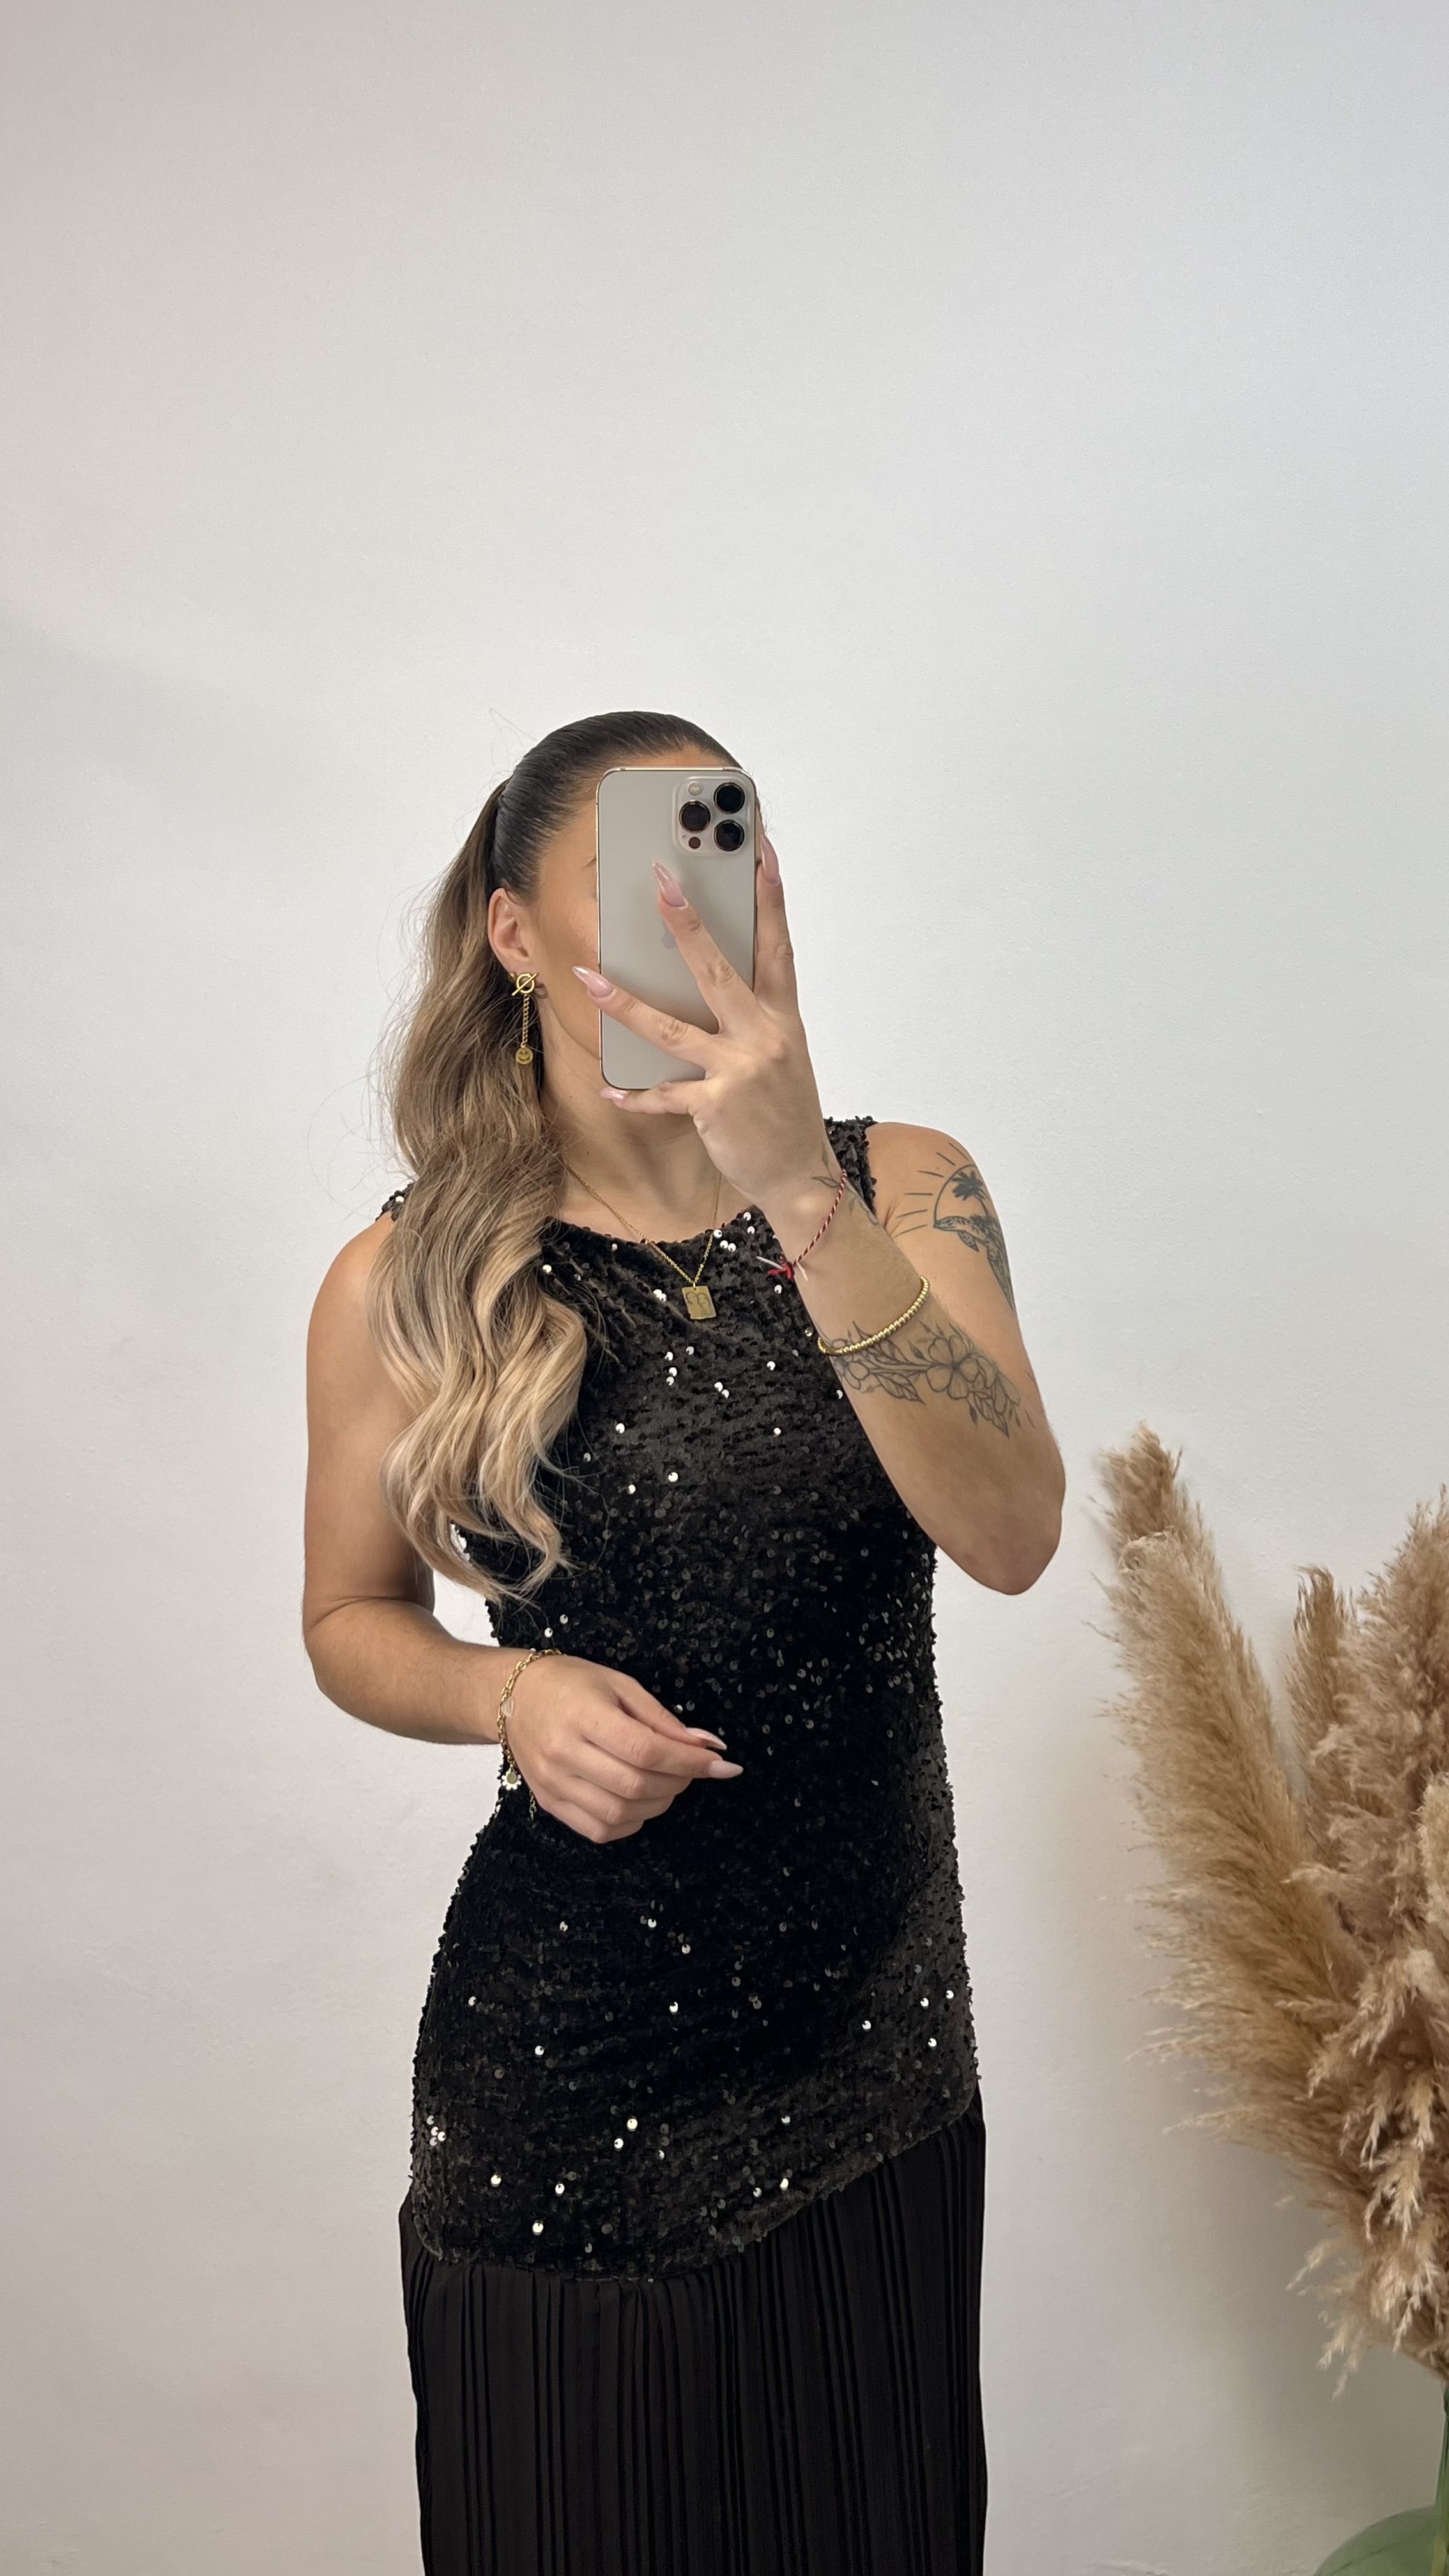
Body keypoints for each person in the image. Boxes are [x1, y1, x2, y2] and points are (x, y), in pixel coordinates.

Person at [302, 709, 1064, 2575]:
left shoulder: (904, 1187)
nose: (689, 919)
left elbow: (1013, 1535)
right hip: (564, 2106)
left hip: (877, 2079)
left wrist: (797, 1182)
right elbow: (346, 1620)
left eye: (722, 863)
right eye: (635, 880)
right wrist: (508, 1691)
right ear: (512, 934)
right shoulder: (412, 1278)